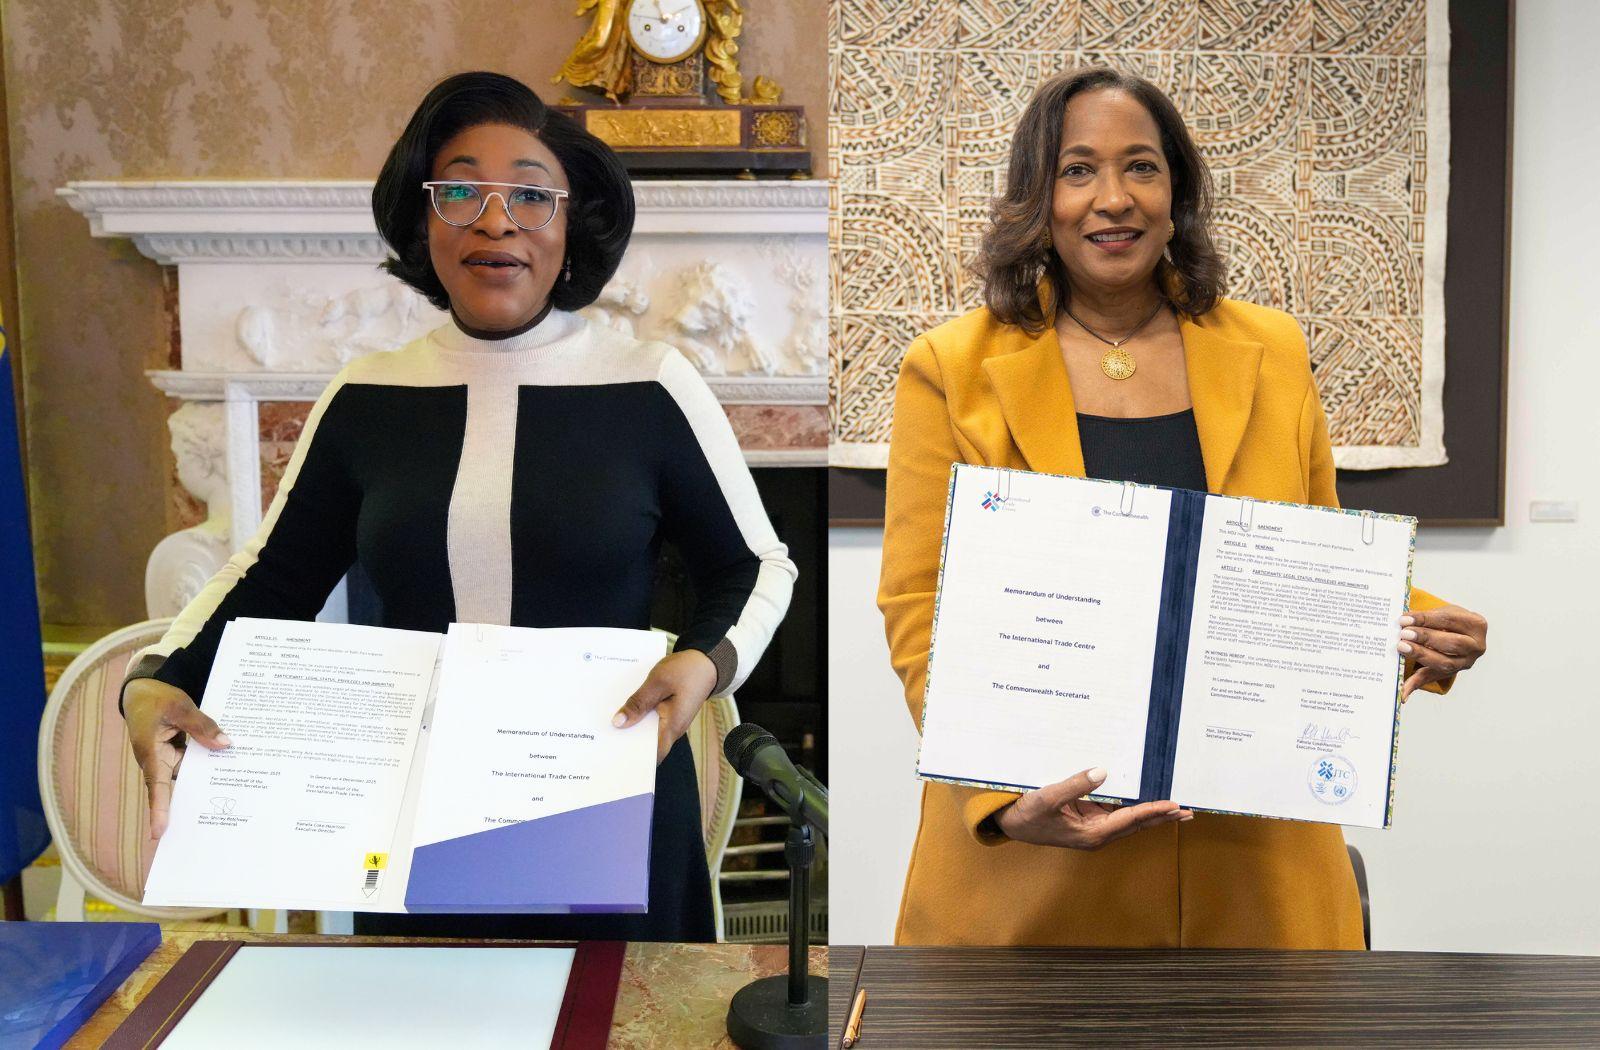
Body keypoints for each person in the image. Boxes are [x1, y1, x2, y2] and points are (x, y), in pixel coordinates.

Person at [120, 71, 796, 943]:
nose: (495, 219)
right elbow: (270, 577)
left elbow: (753, 565)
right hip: (409, 820)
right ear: (422, 216)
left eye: (529, 192)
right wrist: (159, 677)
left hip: (603, 809)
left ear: (570, 218)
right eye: (462, 189)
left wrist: (704, 662)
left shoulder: (652, 384)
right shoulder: (367, 396)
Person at [878, 67, 1488, 949]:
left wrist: (1422, 625)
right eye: (1078, 169)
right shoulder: (951, 367)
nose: (1113, 198)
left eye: (1142, 167)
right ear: (1036, 196)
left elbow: (1309, 559)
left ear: (1178, 194)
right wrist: (1003, 800)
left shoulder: (1271, 353)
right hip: (1038, 855)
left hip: (1253, 856)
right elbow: (919, 605)